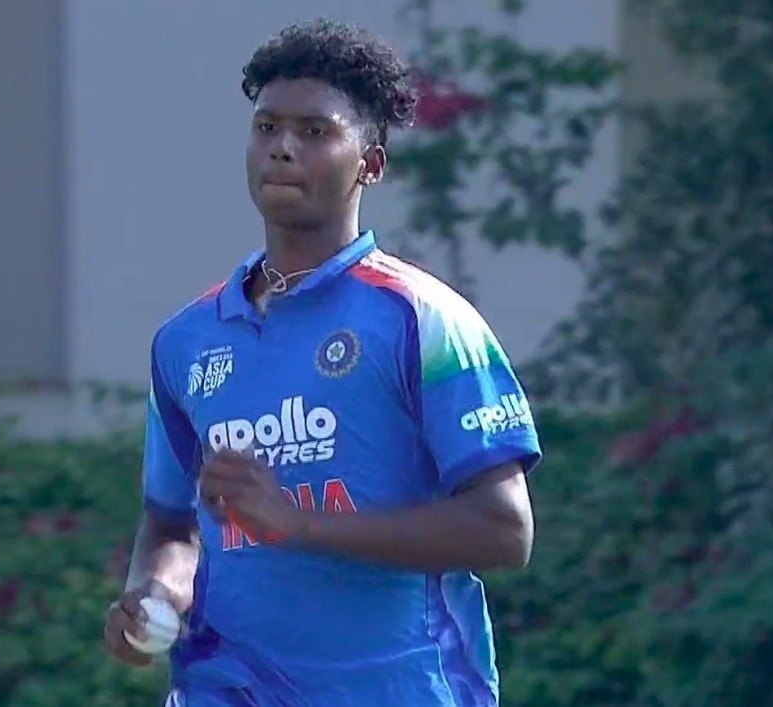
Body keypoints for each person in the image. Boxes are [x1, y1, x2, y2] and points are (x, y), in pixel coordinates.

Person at [103, 19, 541, 707]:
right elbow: (171, 523)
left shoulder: (423, 320)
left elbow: (504, 529)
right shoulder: (185, 341)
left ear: (371, 163)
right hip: (225, 686)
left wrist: (299, 524)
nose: (283, 147)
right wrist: (154, 593)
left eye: (314, 131)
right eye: (267, 127)